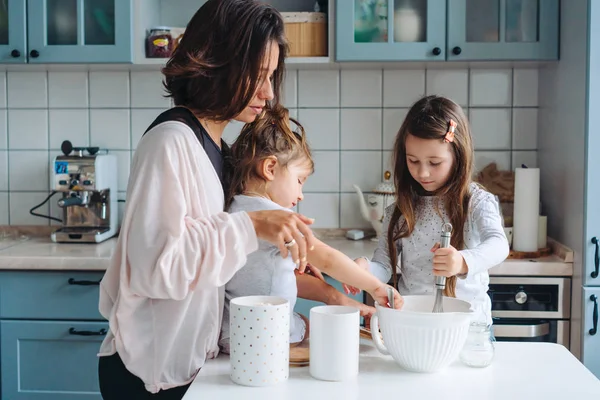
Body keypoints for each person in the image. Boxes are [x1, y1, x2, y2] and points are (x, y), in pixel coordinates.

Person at [97, 1, 317, 399]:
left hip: (189, 364)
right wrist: (251, 227)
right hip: (150, 374)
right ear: (217, 63)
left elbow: (214, 258)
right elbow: (157, 268)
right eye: (258, 76)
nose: (268, 93)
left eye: (271, 77)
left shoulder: (217, 146)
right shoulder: (170, 143)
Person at [218, 106, 403, 352]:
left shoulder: (235, 208)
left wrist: (339, 300)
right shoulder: (275, 219)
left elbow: (270, 277)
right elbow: (326, 258)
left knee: (306, 323)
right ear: (270, 168)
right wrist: (375, 286)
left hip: (234, 333)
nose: (300, 195)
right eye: (299, 180)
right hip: (269, 336)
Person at [356, 95, 509, 325]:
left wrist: (461, 261)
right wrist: (365, 269)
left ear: (458, 156)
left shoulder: (476, 201)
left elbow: (499, 244)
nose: (423, 173)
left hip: (468, 328)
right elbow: (384, 266)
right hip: (415, 324)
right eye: (413, 161)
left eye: (434, 163)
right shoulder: (401, 209)